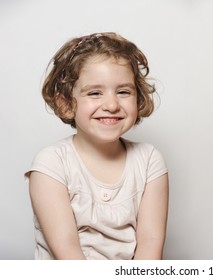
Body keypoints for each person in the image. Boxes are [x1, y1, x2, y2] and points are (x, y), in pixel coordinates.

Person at [24, 32, 169, 260]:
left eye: (123, 92)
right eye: (95, 93)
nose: (111, 104)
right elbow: (67, 252)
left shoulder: (149, 160)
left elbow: (150, 244)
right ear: (65, 104)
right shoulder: (51, 164)